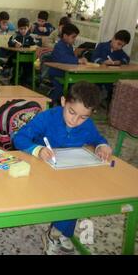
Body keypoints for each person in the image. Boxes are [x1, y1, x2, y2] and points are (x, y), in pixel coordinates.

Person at [13, 81, 112, 255]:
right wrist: (37, 149)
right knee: (69, 196)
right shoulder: (47, 117)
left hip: (70, 172)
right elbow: (19, 138)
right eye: (71, 112)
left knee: (77, 194)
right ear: (63, 101)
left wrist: (102, 146)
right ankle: (56, 233)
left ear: (91, 114)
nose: (75, 121)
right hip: (42, 169)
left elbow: (97, 138)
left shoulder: (87, 125)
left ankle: (60, 233)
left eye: (83, 117)